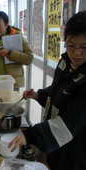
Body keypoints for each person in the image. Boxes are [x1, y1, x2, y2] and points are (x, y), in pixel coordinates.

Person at [8, 11, 86, 170]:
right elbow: (60, 90)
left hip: (75, 150)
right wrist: (39, 95)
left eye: (84, 47)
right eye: (71, 46)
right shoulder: (65, 62)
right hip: (58, 147)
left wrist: (31, 135)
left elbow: (70, 122)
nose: (77, 53)